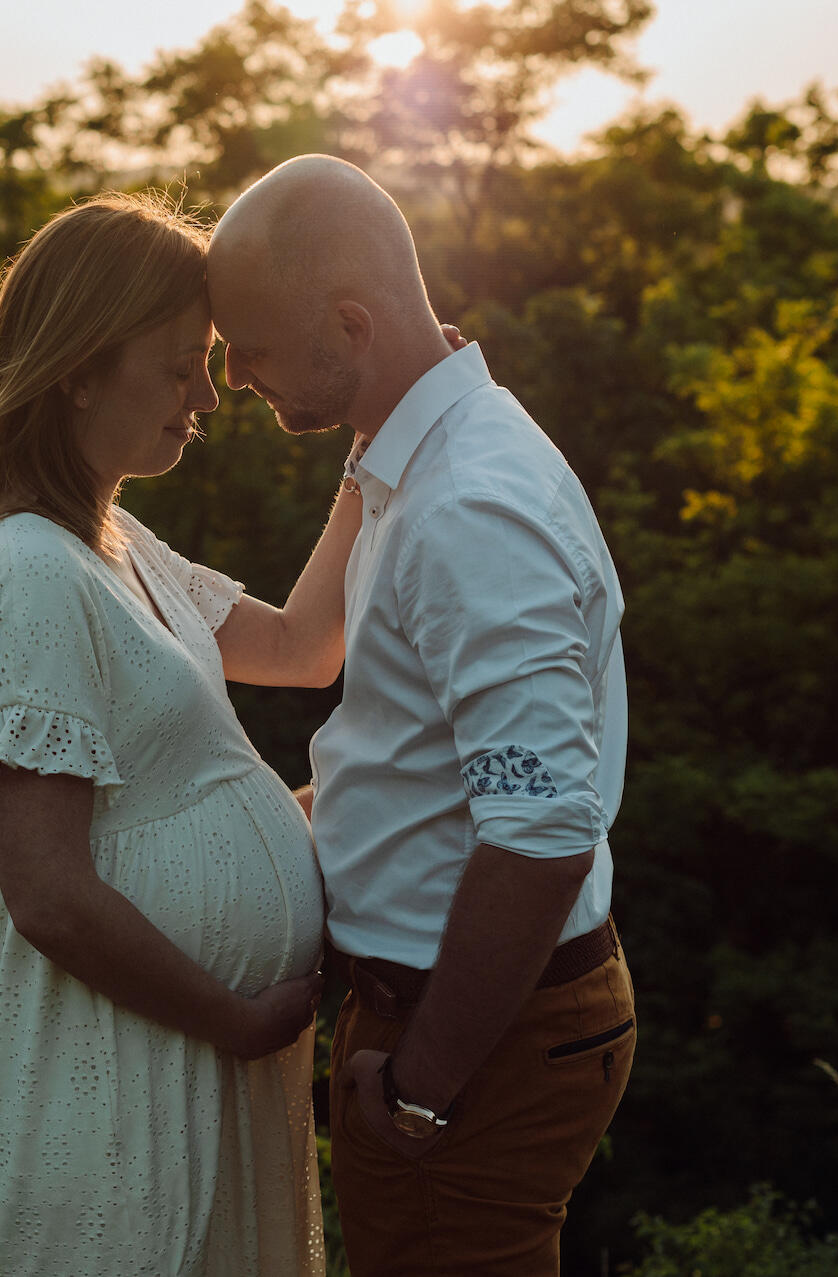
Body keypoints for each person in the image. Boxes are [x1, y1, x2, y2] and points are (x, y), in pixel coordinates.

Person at [0, 190, 364, 1275]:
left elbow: (305, 646)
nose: (206, 396)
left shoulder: (113, 542)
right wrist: (232, 1018)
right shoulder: (27, 570)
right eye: (179, 366)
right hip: (109, 1075)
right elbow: (49, 891)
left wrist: (381, 434)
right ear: (79, 369)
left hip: (178, 1061)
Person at [206, 154, 636, 1276]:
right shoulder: (413, 456)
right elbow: (394, 737)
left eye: (252, 348)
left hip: (475, 1033)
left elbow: (541, 832)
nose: (232, 377)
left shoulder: (467, 509)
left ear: (351, 325)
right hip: (455, 1009)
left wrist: (423, 1082)